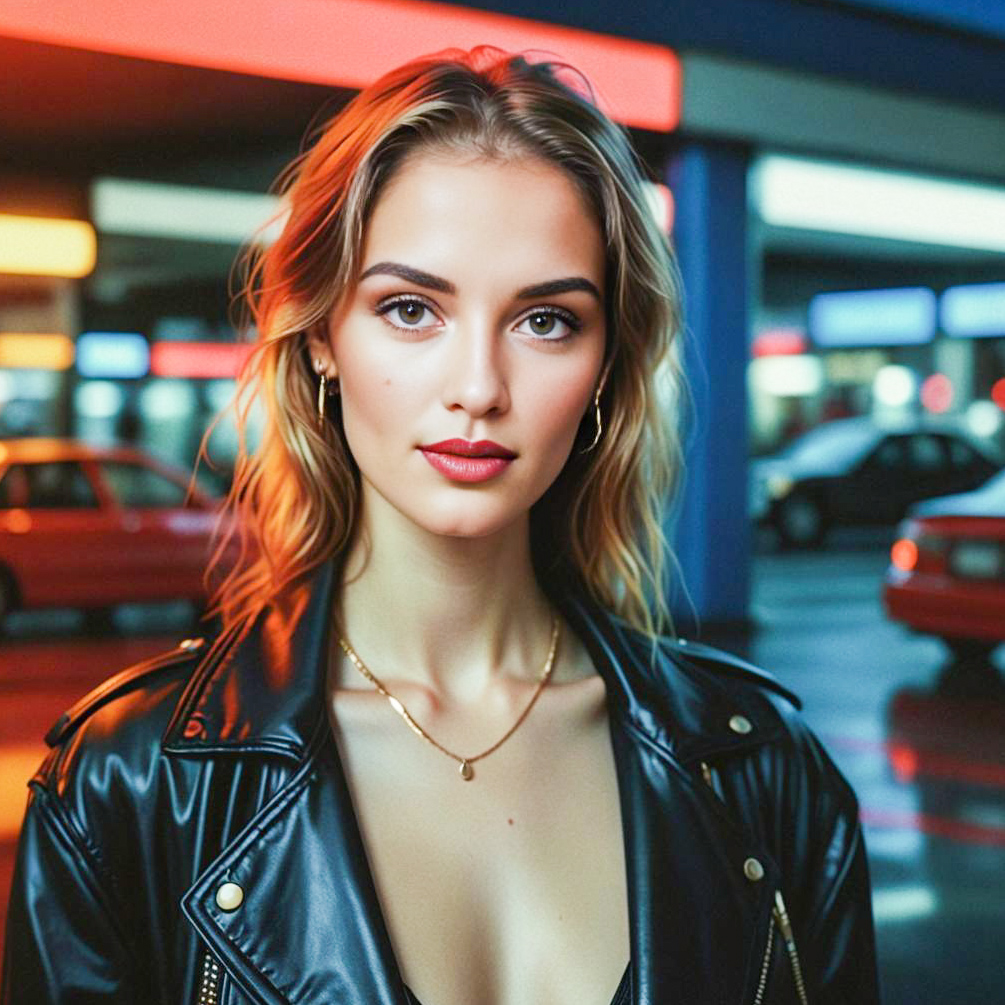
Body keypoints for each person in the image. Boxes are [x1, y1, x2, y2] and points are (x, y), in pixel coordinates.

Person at [1, 48, 879, 1004]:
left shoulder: (765, 770)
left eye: (544, 320)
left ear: (603, 372)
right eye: (410, 309)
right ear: (323, 336)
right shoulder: (125, 784)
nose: (477, 388)